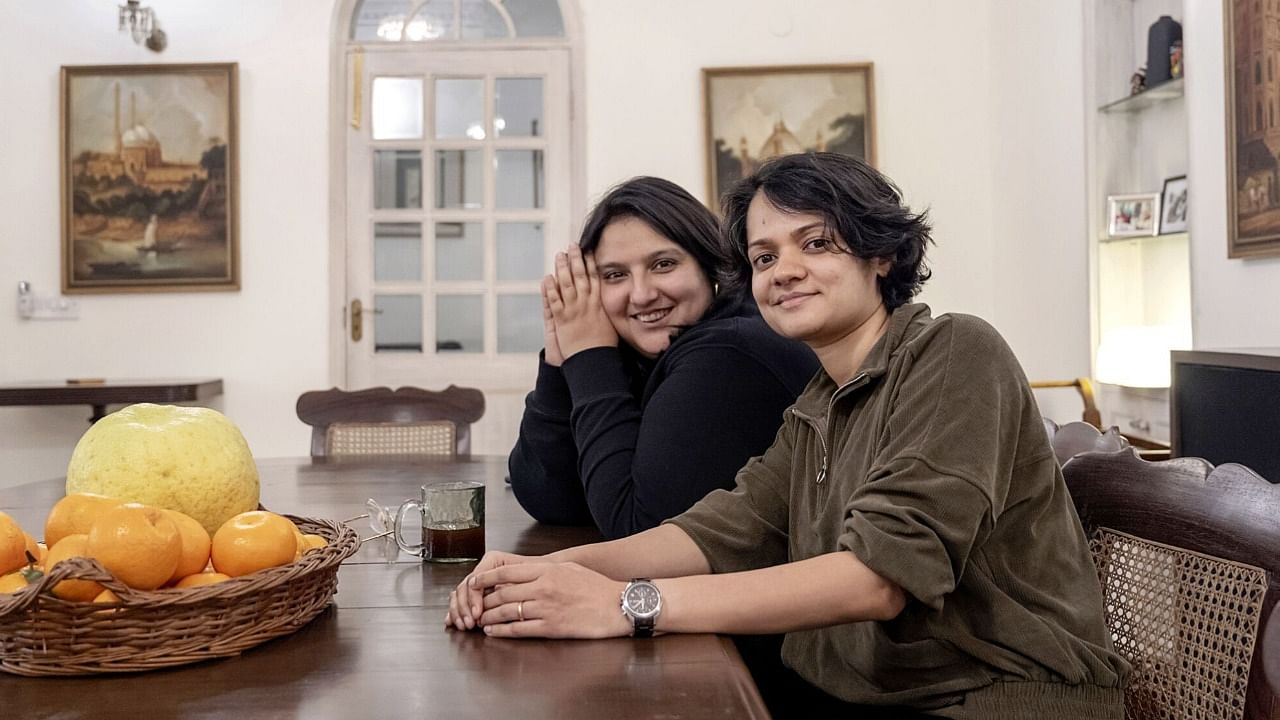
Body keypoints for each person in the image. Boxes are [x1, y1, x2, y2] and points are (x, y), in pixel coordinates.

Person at [452, 154, 1128, 718]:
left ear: (883, 254)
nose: (784, 271)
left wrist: (627, 604)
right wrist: (551, 572)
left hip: (991, 699)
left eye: (816, 243)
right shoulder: (820, 398)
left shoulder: (953, 351)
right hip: (866, 695)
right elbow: (723, 528)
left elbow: (877, 578)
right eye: (765, 256)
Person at [507, 176, 817, 539]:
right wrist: (561, 364)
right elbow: (552, 501)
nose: (640, 295)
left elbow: (638, 532)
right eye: (615, 275)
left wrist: (590, 356)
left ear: (711, 267)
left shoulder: (728, 353)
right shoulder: (646, 355)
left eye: (663, 265)